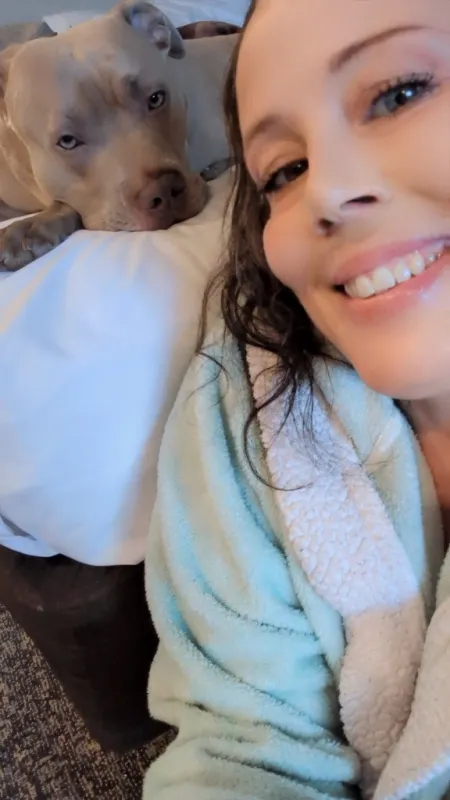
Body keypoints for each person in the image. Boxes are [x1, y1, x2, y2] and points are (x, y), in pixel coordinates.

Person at [143, 1, 450, 798]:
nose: (325, 193)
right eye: (283, 171)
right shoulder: (244, 415)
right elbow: (239, 748)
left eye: (401, 92)